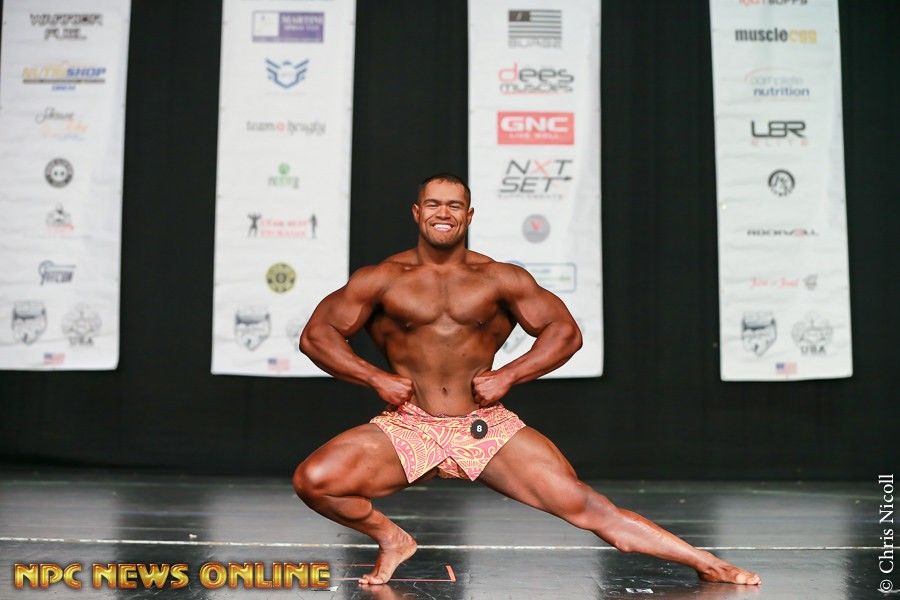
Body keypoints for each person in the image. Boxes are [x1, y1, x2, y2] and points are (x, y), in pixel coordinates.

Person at [294, 173, 761, 587]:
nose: (443, 213)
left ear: (469, 214)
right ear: (417, 213)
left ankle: (708, 563)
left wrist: (509, 376)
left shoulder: (500, 278)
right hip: (409, 425)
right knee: (315, 480)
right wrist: (375, 378)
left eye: (454, 205)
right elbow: (317, 335)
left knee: (587, 506)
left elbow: (565, 332)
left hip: (483, 427)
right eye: (433, 204)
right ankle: (392, 538)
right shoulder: (381, 278)